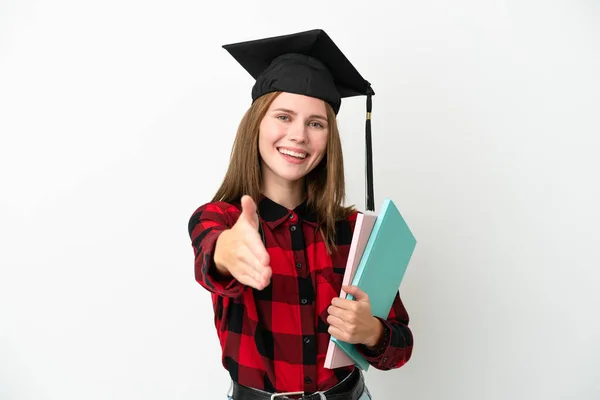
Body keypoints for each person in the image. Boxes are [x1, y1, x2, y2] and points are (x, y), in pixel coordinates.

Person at [187, 29, 413, 400]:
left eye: (315, 123)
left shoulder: (356, 232)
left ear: (329, 139)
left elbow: (401, 344)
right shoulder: (219, 219)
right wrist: (229, 253)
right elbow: (213, 257)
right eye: (284, 116)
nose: (299, 135)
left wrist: (371, 332)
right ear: (255, 124)